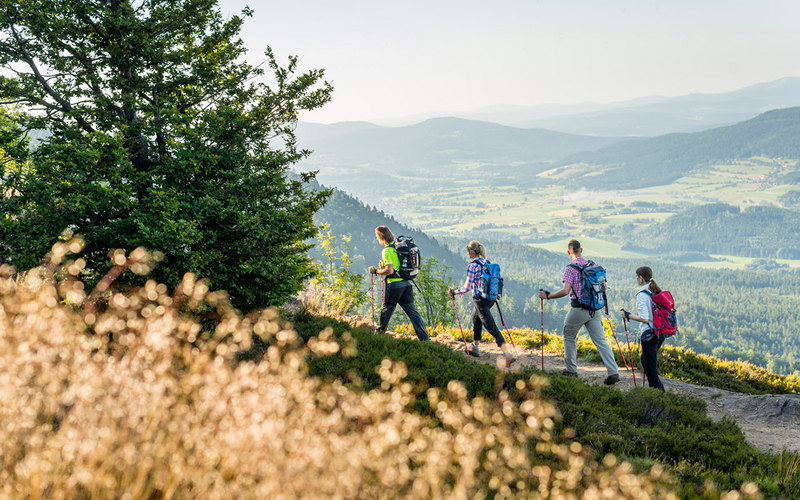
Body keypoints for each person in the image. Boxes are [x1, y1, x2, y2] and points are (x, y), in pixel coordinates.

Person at [538, 239, 620, 385]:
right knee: (601, 341)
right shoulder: (593, 265)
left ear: (569, 252)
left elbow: (565, 291)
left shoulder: (570, 268)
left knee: (569, 337)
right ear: (581, 250)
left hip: (578, 309)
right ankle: (613, 372)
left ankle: (571, 370)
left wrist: (548, 296)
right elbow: (604, 286)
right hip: (595, 309)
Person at [449, 241, 516, 369]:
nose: (468, 254)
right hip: (490, 298)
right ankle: (475, 347)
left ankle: (507, 354)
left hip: (480, 299)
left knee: (489, 324)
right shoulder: (487, 262)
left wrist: (454, 291)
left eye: (468, 252)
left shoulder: (473, 266)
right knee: (477, 319)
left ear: (472, 252)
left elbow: (467, 287)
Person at [368, 225, 429, 341]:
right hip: (406, 284)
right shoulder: (397, 248)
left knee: (386, 310)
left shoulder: (386, 251)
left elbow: (389, 270)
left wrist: (375, 271)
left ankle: (379, 335)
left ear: (381, 237)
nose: (376, 239)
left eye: (377, 236)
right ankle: (425, 339)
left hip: (395, 286)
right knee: (413, 313)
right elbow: (396, 266)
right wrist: (383, 267)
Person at [621, 266, 666, 392]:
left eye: (637, 277)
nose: (636, 279)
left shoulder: (642, 294)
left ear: (641, 278)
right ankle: (657, 393)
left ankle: (658, 395)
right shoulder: (655, 290)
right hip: (660, 333)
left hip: (649, 334)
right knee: (645, 361)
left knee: (651, 368)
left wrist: (628, 315)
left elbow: (645, 318)